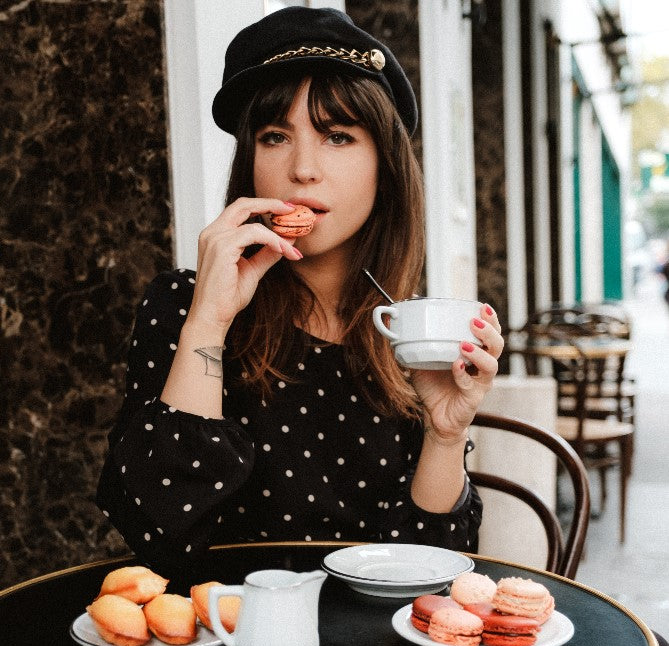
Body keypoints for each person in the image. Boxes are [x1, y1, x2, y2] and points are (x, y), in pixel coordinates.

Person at [96, 6, 504, 578]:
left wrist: (445, 433)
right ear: (251, 162)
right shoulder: (185, 303)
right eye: (274, 136)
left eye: (337, 136)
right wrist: (209, 323)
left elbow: (434, 562)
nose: (303, 169)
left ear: (384, 166)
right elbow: (158, 531)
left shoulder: (410, 333)